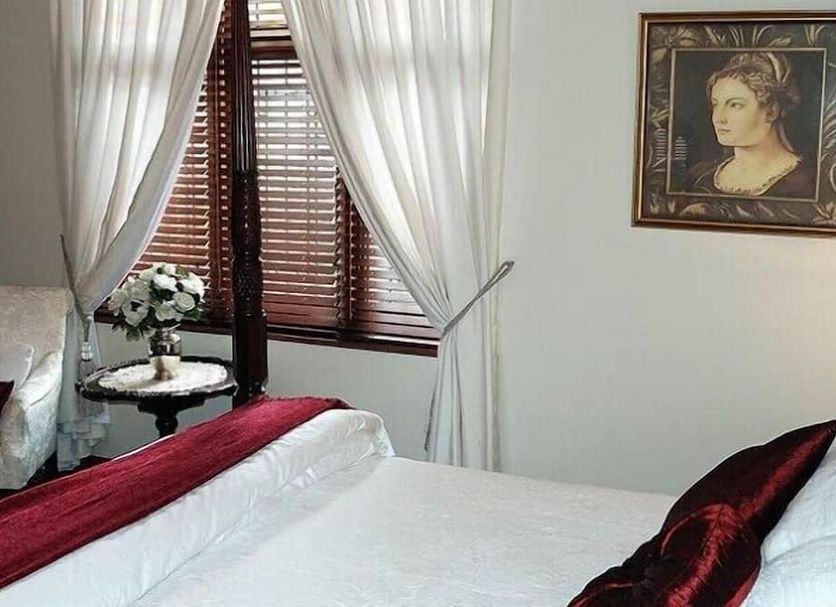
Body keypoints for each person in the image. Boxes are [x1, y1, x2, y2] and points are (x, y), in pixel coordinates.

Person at [683, 51, 816, 200]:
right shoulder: (699, 176)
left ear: (771, 111)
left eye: (735, 105)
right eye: (715, 105)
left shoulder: (808, 182)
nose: (718, 118)